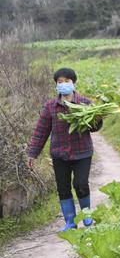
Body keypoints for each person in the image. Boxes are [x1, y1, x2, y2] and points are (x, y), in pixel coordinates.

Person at [27, 67, 104, 231]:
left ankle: (86, 215)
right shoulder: (50, 107)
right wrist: (32, 153)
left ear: (73, 83)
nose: (63, 85)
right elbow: (41, 132)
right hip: (59, 154)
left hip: (82, 152)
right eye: (60, 82)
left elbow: (94, 128)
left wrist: (97, 119)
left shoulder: (85, 104)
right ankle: (70, 222)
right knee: (63, 188)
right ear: (56, 85)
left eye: (67, 81)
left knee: (81, 183)